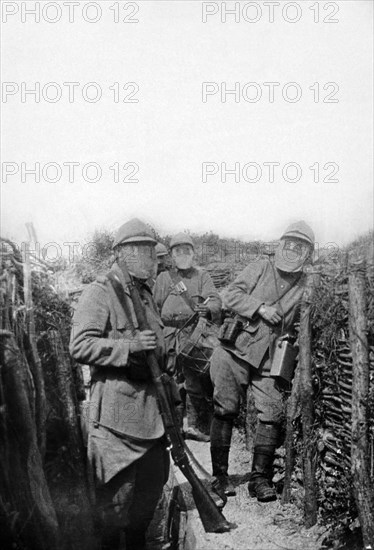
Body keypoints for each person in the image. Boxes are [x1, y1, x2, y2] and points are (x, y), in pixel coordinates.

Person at [70, 218, 170, 550]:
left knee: (150, 493)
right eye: (138, 249)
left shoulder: (145, 291)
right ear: (119, 253)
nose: (147, 256)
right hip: (116, 419)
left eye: (150, 249)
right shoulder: (100, 292)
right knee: (113, 509)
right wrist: (127, 348)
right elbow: (80, 345)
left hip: (153, 415)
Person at [209, 221, 315, 502]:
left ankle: (260, 479)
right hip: (234, 351)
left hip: (270, 360)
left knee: (272, 413)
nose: (293, 250)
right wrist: (259, 308)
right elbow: (229, 295)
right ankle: (220, 476)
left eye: (300, 246)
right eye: (289, 244)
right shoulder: (261, 266)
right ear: (281, 245)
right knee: (225, 410)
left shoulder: (306, 283)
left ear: (308, 252)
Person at [153, 233, 222, 442]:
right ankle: (172, 428)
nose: (183, 255)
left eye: (187, 251)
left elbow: (216, 300)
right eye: (178, 251)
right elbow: (154, 307)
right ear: (172, 255)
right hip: (169, 335)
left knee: (196, 380)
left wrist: (208, 308)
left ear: (193, 253)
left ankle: (197, 427)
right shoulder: (165, 278)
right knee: (170, 379)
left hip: (194, 334)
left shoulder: (202, 276)